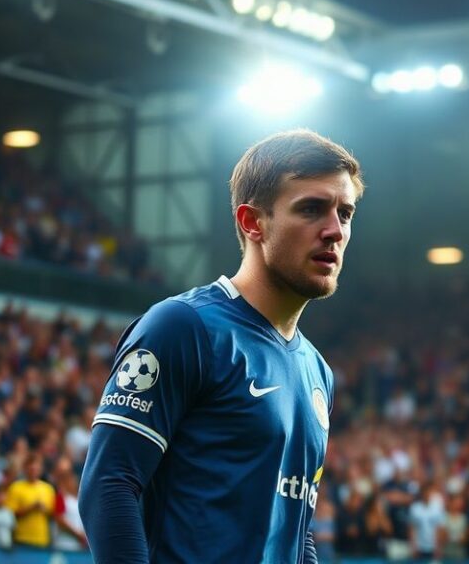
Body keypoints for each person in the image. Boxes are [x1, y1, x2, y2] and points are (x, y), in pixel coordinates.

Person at [79, 129, 363, 563]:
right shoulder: (184, 327)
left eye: (345, 213)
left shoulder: (317, 370)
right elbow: (110, 484)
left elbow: (293, 529)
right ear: (252, 222)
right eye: (311, 209)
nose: (334, 231)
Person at [5, 452, 55, 547]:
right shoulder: (16, 487)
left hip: (42, 540)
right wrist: (31, 508)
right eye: (31, 468)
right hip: (21, 539)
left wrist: (45, 510)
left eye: (36, 468)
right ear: (25, 469)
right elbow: (9, 514)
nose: (33, 471)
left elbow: (53, 514)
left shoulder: (48, 489)